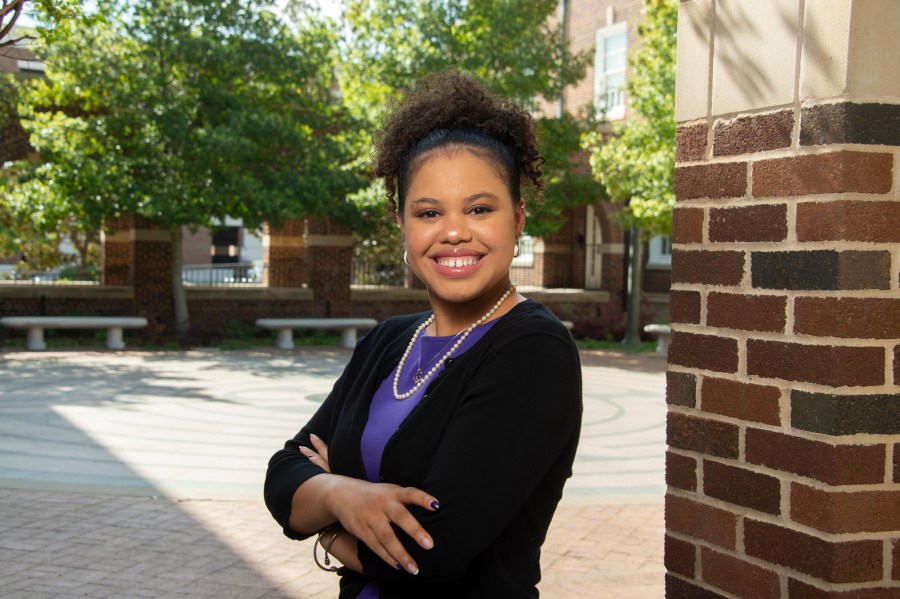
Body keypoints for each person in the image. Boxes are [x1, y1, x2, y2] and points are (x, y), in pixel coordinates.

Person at [264, 71, 582, 598]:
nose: (454, 231)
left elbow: (430, 553)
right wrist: (346, 497)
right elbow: (282, 476)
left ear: (518, 218)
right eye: (429, 212)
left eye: (480, 208)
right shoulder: (389, 341)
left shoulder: (532, 351)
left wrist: (321, 517)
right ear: (402, 225)